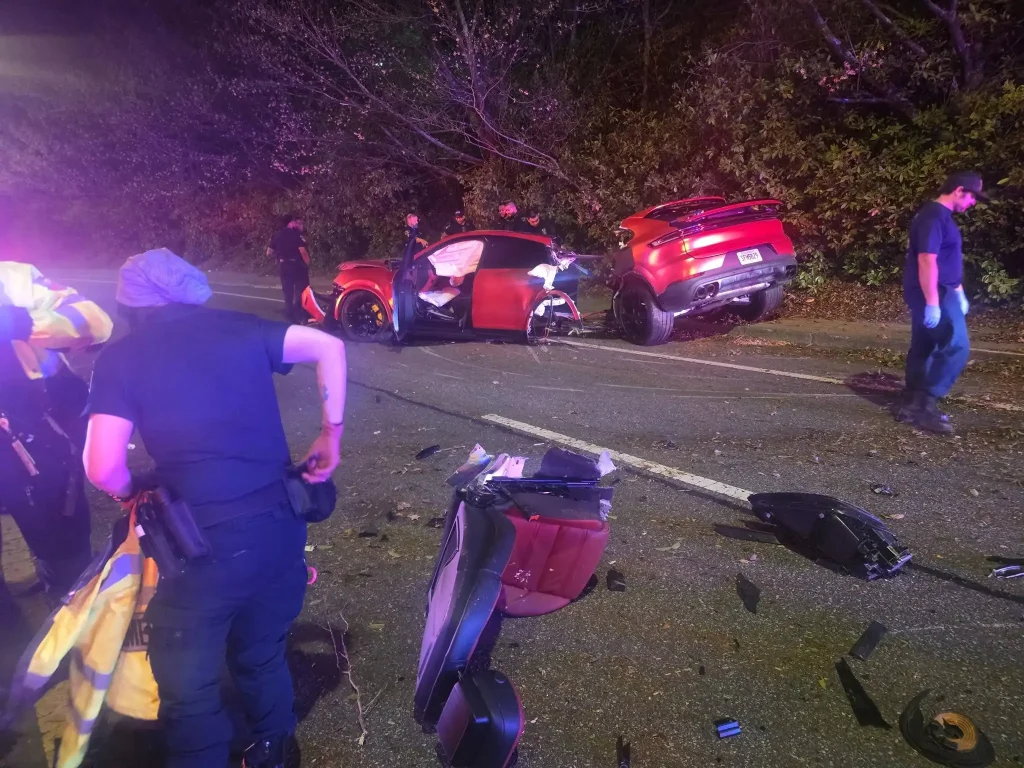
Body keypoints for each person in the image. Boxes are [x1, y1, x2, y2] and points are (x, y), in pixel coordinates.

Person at [83, 248, 347, 768]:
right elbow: (328, 346)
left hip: (201, 550)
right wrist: (329, 433)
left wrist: (131, 489)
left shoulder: (122, 358)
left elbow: (102, 466)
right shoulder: (243, 327)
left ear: (130, 303)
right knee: (261, 651)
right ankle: (273, 747)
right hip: (280, 532)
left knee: (189, 684)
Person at [0, 261, 112, 600]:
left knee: (68, 565)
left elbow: (96, 322)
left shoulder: (14, 278)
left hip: (34, 443)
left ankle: (74, 633)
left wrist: (22, 322)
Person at [896, 171, 986, 435]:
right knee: (957, 346)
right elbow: (927, 259)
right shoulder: (933, 216)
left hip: (943, 291)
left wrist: (960, 292)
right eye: (972, 196)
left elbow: (947, 261)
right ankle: (924, 405)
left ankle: (911, 401)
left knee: (924, 345)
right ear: (959, 190)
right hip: (934, 292)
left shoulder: (941, 217)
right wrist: (934, 302)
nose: (973, 203)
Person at [267, 213, 310, 323]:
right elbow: (303, 252)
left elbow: (268, 252)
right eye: (294, 222)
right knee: (301, 289)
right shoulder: (295, 235)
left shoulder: (278, 235)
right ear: (290, 223)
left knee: (287, 292)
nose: (296, 224)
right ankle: (301, 314)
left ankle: (290, 317)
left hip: (283, 266)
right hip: (296, 266)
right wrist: (307, 264)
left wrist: (280, 253)